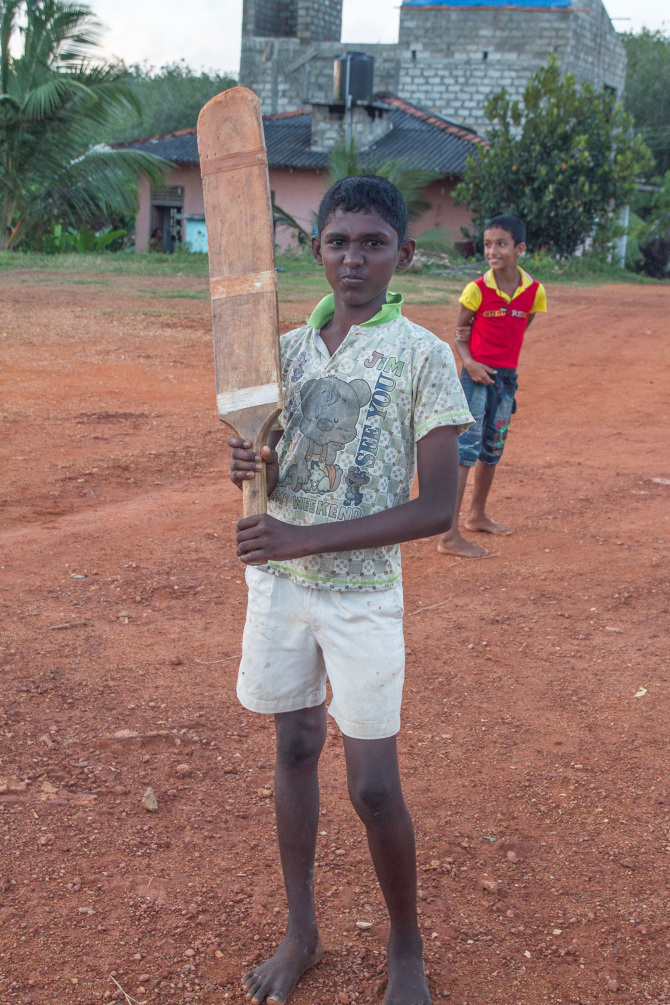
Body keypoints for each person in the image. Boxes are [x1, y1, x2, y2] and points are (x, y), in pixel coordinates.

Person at [228, 175, 472, 1005]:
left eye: (373, 242)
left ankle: (406, 944)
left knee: (372, 783)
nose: (354, 258)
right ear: (317, 250)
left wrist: (302, 537)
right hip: (280, 587)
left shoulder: (422, 356)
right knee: (294, 745)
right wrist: (249, 466)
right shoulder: (285, 351)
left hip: (361, 596)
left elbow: (436, 507)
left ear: (404, 252)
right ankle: (302, 930)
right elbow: (269, 466)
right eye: (338, 241)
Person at [436, 214, 547, 558]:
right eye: (487, 244)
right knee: (464, 452)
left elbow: (520, 328)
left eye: (501, 244)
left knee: (492, 449)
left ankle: (476, 516)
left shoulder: (534, 292)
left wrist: (502, 369)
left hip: (506, 379)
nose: (492, 251)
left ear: (519, 248)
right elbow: (460, 334)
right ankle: (449, 536)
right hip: (474, 378)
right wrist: (469, 363)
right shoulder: (476, 289)